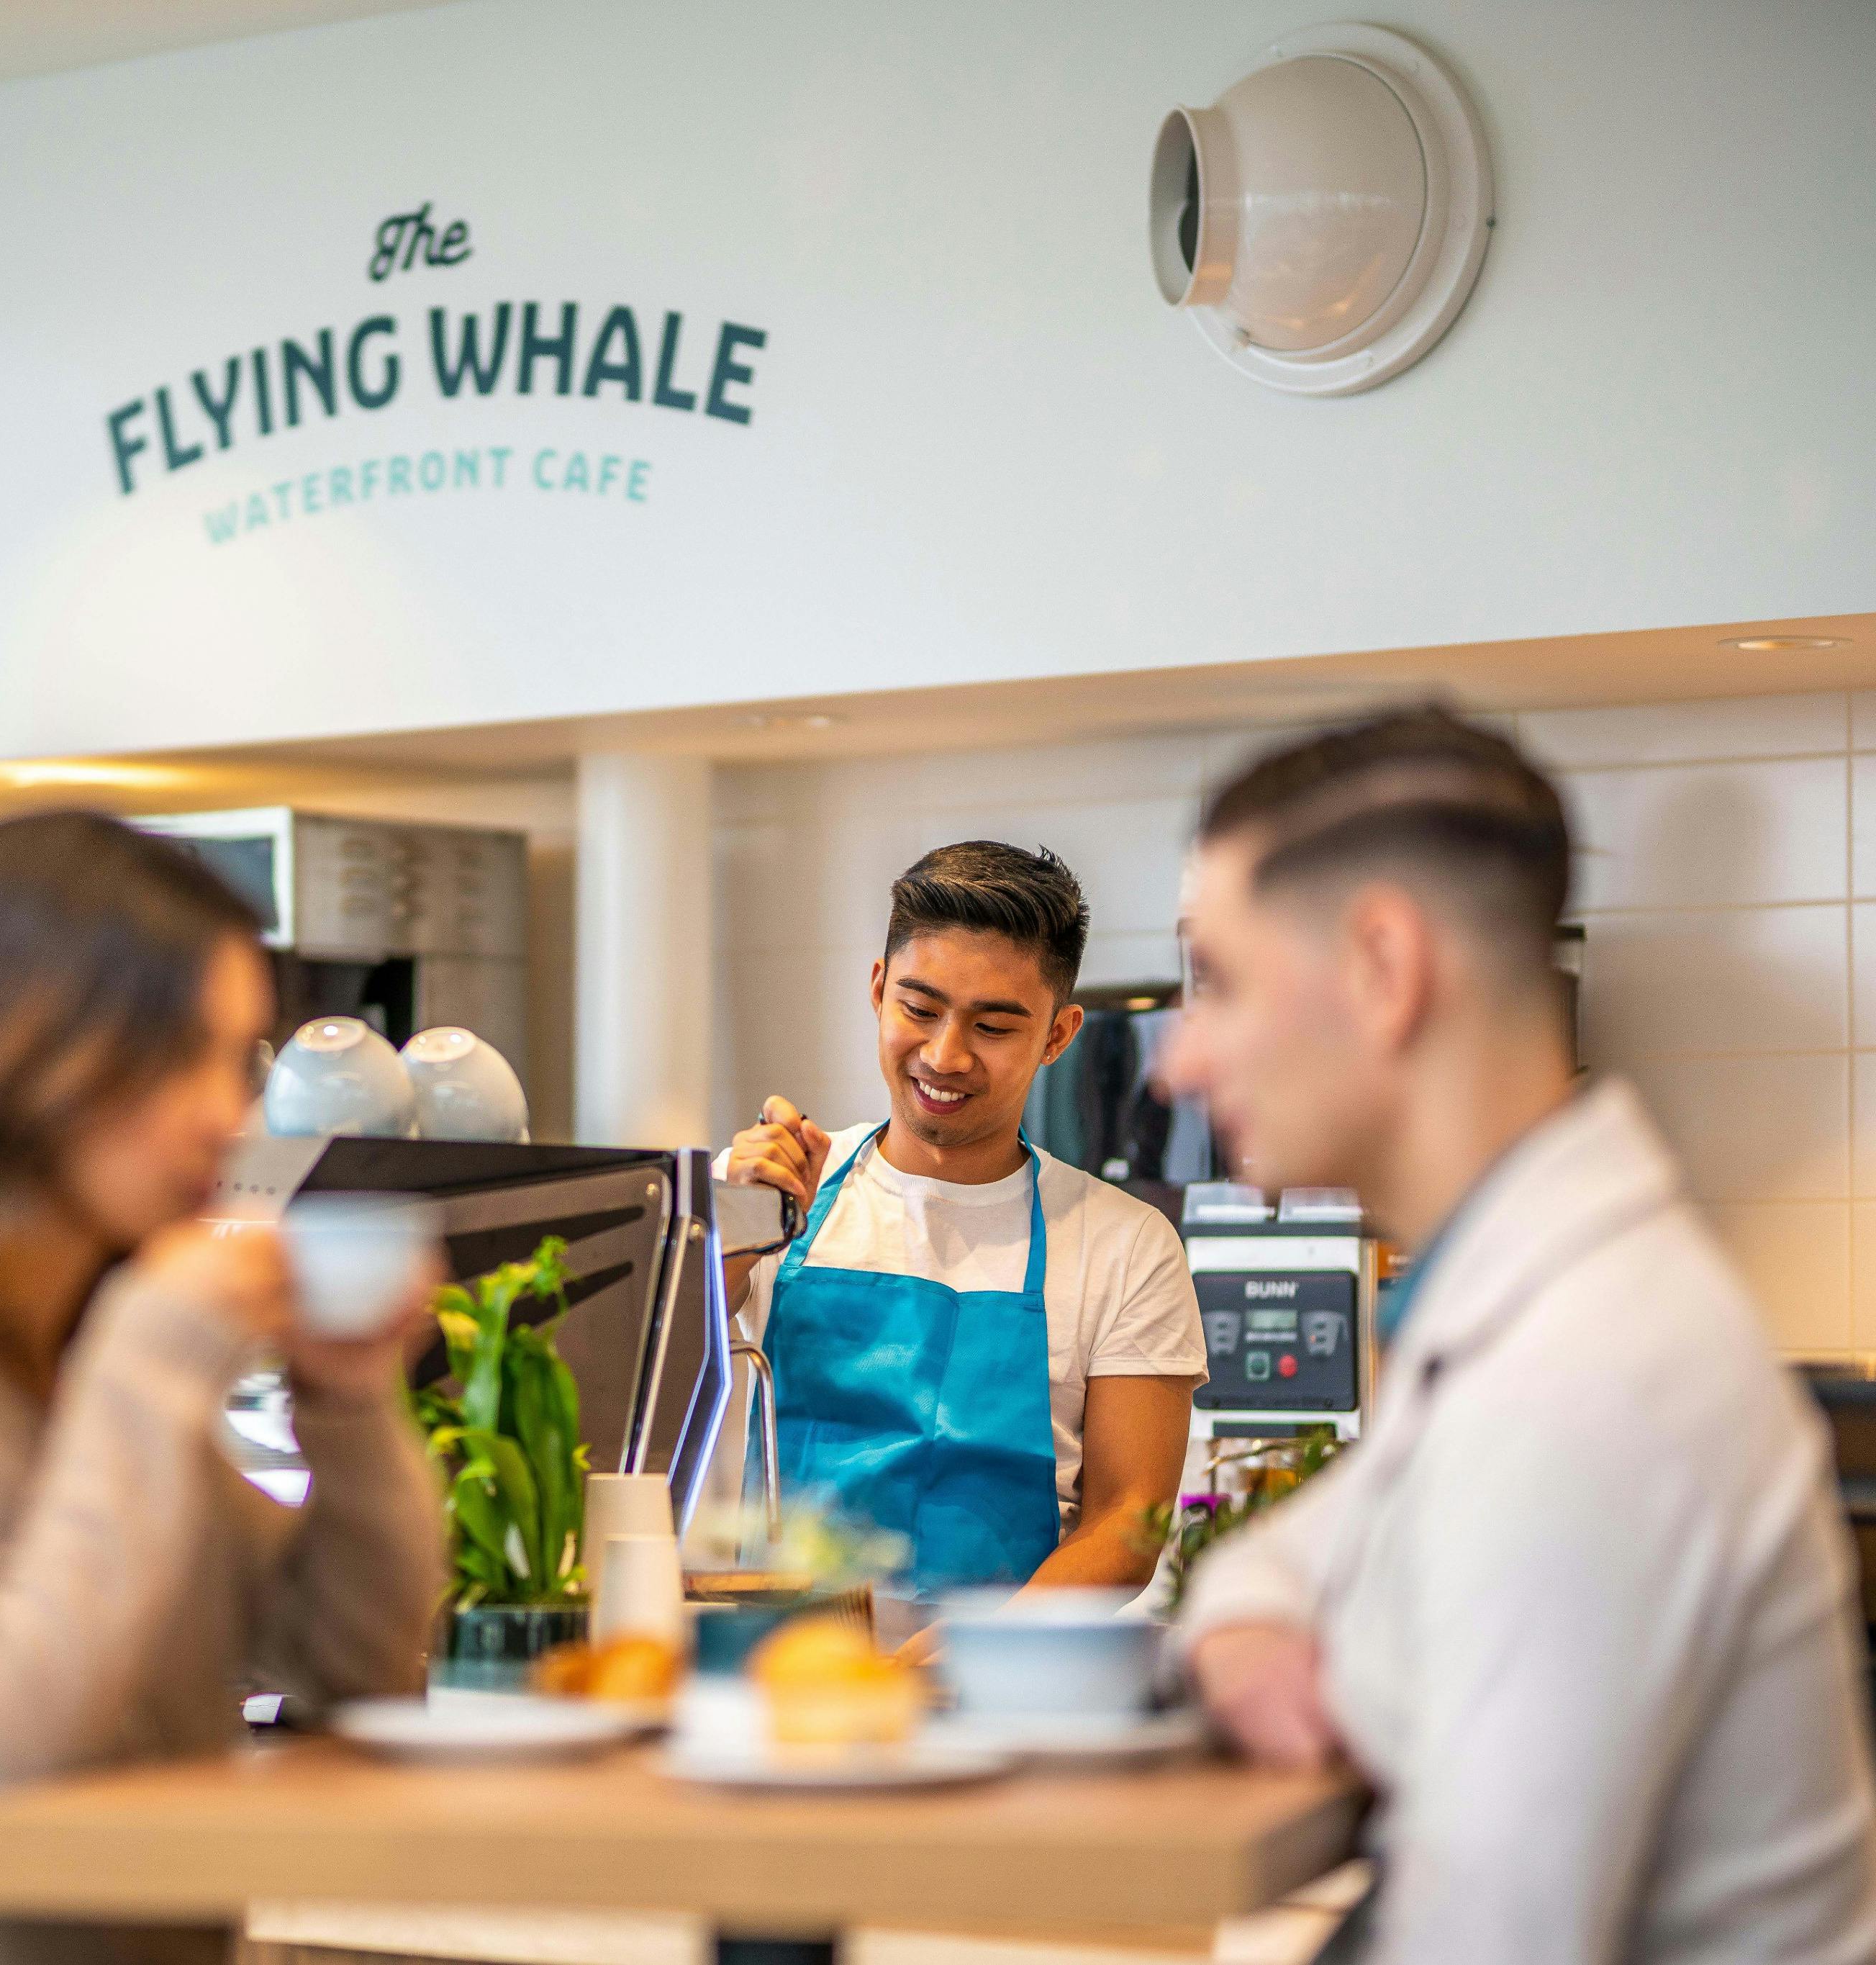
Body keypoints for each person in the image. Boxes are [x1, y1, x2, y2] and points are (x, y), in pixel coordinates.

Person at [1161, 707, 1876, 1962]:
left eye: (1216, 981)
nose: (1178, 1060)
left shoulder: (1582, 1384)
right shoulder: (1512, 1310)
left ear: (1384, 967)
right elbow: (1260, 1568)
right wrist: (1247, 1626)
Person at [0, 813, 444, 1965]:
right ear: (36, 1049)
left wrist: (349, 1401)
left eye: (238, 1060)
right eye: (186, 1056)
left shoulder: (81, 1355)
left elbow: (349, 1667)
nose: (230, 1114)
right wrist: (152, 1355)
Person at [712, 841, 1205, 1596]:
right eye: (920, 1009)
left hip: (999, 1686)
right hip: (782, 1674)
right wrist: (736, 1228)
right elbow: (644, 1402)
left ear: (1058, 1034)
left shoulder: (1127, 1244)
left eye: (994, 1027)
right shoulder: (768, 1187)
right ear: (878, 989)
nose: (945, 1056)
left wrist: (977, 1656)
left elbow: (1126, 1521)